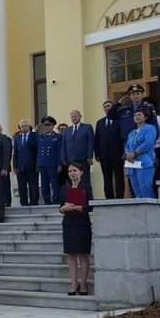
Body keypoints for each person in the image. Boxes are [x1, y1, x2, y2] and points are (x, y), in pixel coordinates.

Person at [59, 162, 93, 295]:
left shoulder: (86, 187)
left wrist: (79, 208)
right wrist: (64, 208)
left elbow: (90, 205)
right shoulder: (64, 188)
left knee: (83, 254)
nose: (72, 173)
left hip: (82, 223)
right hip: (69, 224)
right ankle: (74, 283)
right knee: (71, 255)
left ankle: (83, 283)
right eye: (70, 171)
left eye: (75, 171)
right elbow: (60, 207)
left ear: (81, 172)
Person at [123, 106, 157, 199]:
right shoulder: (131, 133)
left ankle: (150, 207)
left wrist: (134, 153)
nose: (137, 117)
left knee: (146, 188)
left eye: (139, 115)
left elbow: (148, 143)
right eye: (135, 115)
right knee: (136, 190)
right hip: (132, 163)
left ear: (145, 117)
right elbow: (127, 145)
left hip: (144, 162)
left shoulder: (150, 128)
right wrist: (128, 154)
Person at [36, 116, 62, 205]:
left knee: (55, 184)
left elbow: (59, 151)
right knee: (44, 185)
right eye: (45, 125)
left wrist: (59, 164)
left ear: (53, 126)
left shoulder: (58, 137)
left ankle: (56, 201)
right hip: (43, 164)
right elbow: (33, 144)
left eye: (49, 125)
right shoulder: (41, 137)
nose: (47, 127)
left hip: (53, 164)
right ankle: (47, 202)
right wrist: (35, 130)